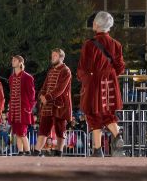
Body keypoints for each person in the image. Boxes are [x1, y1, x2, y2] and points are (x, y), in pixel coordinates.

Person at [77, 11, 126, 157]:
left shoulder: (89, 44)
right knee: (108, 114)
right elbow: (120, 66)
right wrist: (110, 74)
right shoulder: (116, 44)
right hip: (110, 83)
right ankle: (117, 136)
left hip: (94, 83)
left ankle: (97, 150)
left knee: (93, 113)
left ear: (97, 24)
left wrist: (84, 79)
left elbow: (83, 67)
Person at [34, 49, 73, 157]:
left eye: (55, 55)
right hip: (47, 106)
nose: (52, 57)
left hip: (59, 106)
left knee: (60, 131)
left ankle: (59, 152)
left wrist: (47, 97)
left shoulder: (66, 70)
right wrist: (41, 95)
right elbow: (45, 86)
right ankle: (36, 152)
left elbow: (60, 89)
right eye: (52, 55)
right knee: (43, 130)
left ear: (61, 57)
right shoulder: (51, 71)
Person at [8, 55, 35, 156]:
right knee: (17, 133)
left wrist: (29, 108)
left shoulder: (27, 77)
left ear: (20, 63)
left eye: (14, 60)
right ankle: (20, 151)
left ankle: (27, 151)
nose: (12, 61)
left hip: (24, 109)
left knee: (22, 132)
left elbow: (32, 94)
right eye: (12, 60)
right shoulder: (11, 78)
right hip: (14, 109)